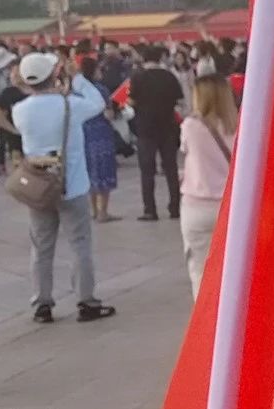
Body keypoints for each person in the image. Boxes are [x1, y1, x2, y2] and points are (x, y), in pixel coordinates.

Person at [13, 53, 115, 324]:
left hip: (39, 186)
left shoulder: (20, 110)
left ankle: (42, 303)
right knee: (80, 244)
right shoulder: (70, 105)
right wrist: (77, 77)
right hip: (72, 184)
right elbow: (98, 103)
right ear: (53, 75)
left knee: (41, 246)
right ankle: (86, 301)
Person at [178, 73, 238, 300]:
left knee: (200, 273)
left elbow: (186, 150)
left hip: (197, 206)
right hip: (231, 206)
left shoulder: (190, 126)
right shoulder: (239, 126)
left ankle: (205, 317)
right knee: (234, 270)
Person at [129, 45, 184, 221]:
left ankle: (150, 210)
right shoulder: (169, 76)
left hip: (146, 128)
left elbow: (132, 100)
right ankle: (175, 207)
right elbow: (179, 99)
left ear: (144, 59)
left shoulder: (138, 77)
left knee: (147, 170)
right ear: (160, 58)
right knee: (171, 168)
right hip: (168, 126)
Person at [77, 56, 121, 225]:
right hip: (101, 132)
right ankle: (103, 212)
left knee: (89, 171)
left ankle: (93, 210)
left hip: (84, 133)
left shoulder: (77, 90)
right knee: (104, 170)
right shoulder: (100, 90)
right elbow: (108, 114)